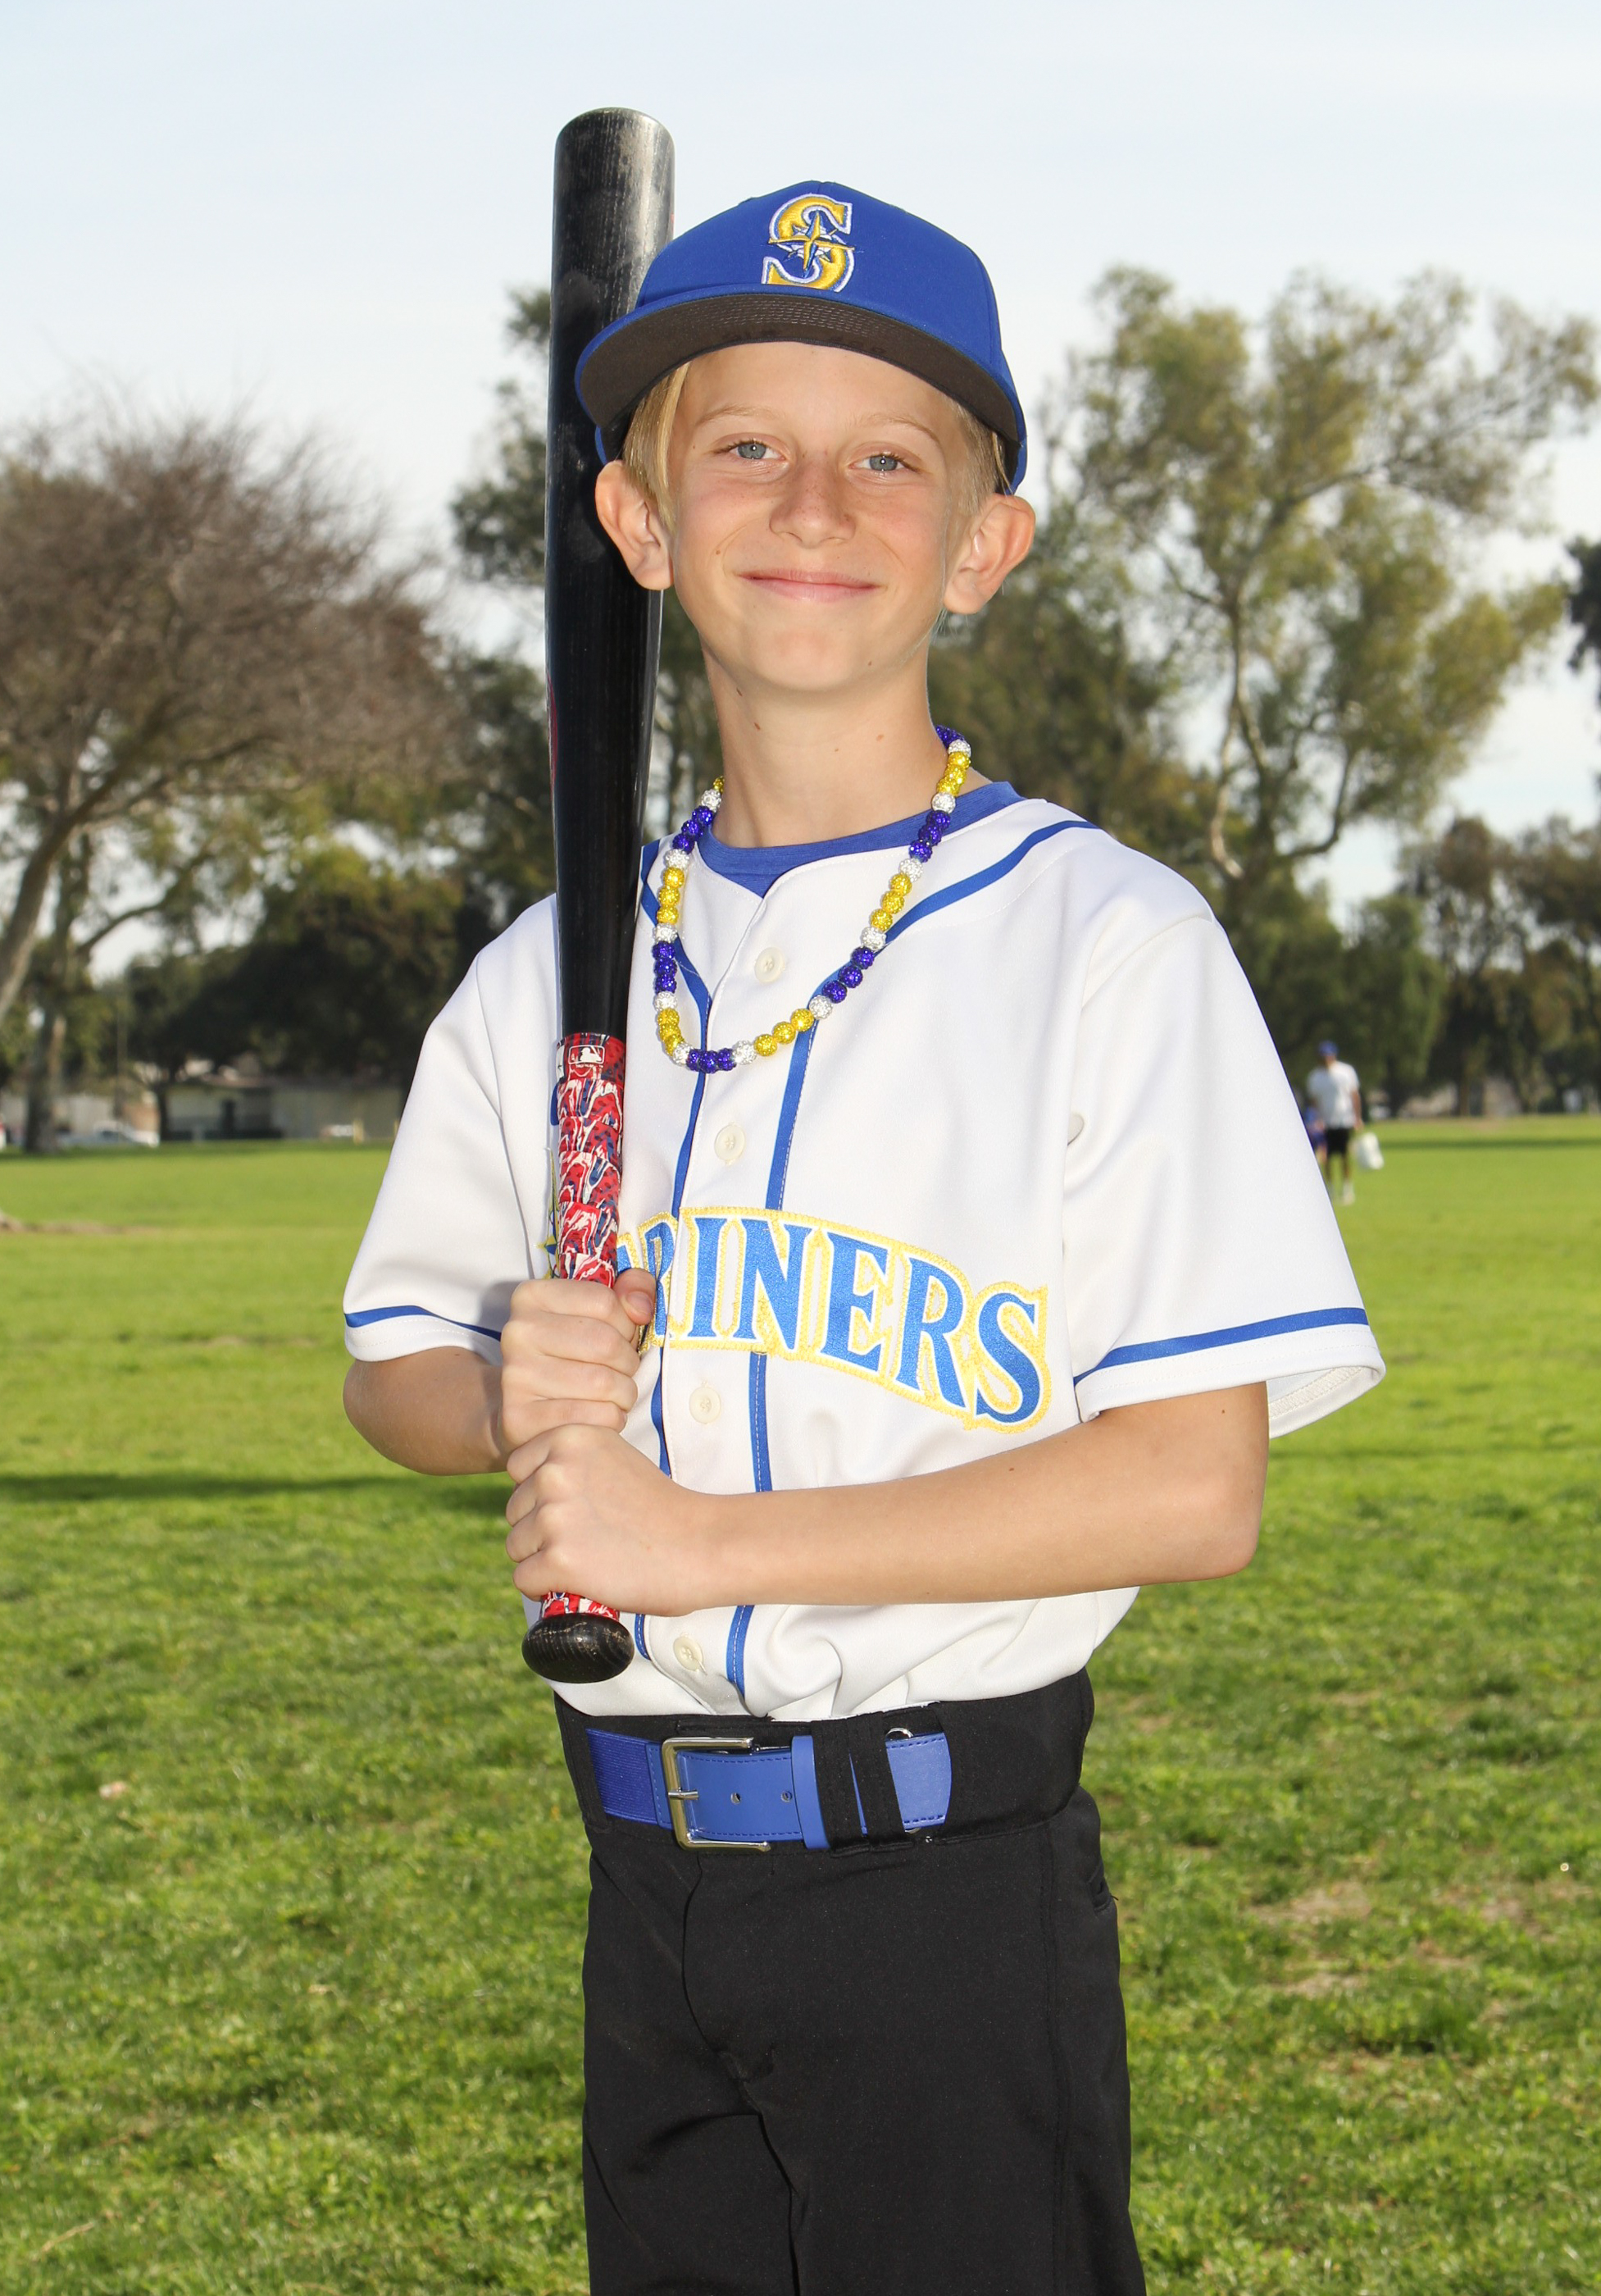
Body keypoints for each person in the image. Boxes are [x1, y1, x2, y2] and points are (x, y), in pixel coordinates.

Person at [342, 184, 1384, 2296]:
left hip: (946, 1889)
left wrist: (698, 1543)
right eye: (741, 444)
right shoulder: (552, 968)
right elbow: (396, 1374)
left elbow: (1192, 1486)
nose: (811, 502)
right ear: (636, 523)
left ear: (982, 545)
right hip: (641, 1877)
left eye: (888, 458)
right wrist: (504, 1393)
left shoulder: (1106, 941)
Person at [1305, 1039, 1363, 1206]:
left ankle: (1347, 1188)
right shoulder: (1315, 1077)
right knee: (1327, 1157)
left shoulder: (1345, 1072)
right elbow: (1314, 1101)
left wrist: (1357, 1118)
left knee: (1345, 1156)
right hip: (1325, 1122)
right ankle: (1329, 1188)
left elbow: (1354, 1095)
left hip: (1344, 1119)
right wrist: (1315, 1120)